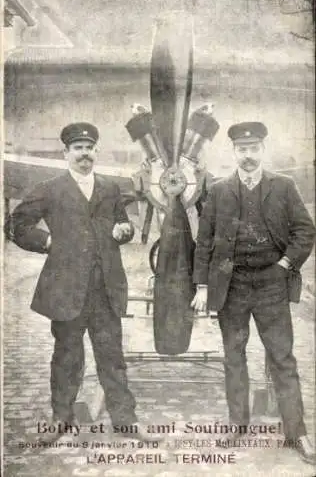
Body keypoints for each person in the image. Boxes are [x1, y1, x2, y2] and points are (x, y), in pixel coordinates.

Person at [5, 122, 162, 443]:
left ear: (96, 152)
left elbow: (123, 222)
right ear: (66, 153)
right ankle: (61, 420)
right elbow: (16, 224)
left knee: (112, 358)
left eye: (89, 148)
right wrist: (47, 242)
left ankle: (126, 422)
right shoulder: (50, 188)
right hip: (67, 290)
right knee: (66, 357)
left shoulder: (108, 188)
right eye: (77, 148)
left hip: (104, 290)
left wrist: (124, 231)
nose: (84, 154)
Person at [191, 121, 316, 465]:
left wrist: (285, 265)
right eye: (242, 150)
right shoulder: (217, 191)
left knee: (282, 358)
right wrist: (202, 285)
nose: (248, 156)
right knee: (234, 357)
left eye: (254, 149)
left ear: (263, 150)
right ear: (234, 152)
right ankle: (237, 425)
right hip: (231, 288)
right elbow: (204, 242)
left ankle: (297, 433)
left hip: (271, 286)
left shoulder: (284, 186)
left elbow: (305, 231)